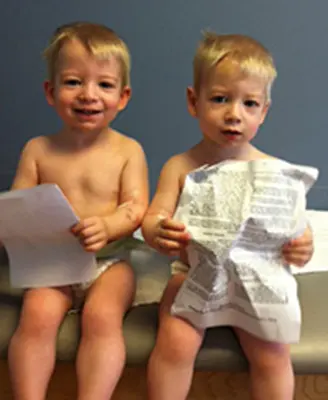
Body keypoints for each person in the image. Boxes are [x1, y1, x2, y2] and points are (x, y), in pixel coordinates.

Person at [142, 32, 314, 400]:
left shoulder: (273, 171)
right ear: (194, 101)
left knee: (272, 351)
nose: (234, 114)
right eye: (220, 99)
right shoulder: (180, 166)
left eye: (249, 104)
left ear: (264, 111)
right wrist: (159, 229)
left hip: (255, 279)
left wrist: (301, 246)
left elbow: (299, 231)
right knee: (174, 339)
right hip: (193, 273)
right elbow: (155, 213)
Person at [8, 22, 149, 400]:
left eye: (104, 85)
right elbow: (19, 205)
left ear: (123, 96)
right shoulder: (37, 149)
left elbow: (136, 208)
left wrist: (108, 224)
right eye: (73, 82)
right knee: (36, 316)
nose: (89, 95)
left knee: (102, 318)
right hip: (53, 264)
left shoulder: (128, 151)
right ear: (51, 92)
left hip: (110, 263)